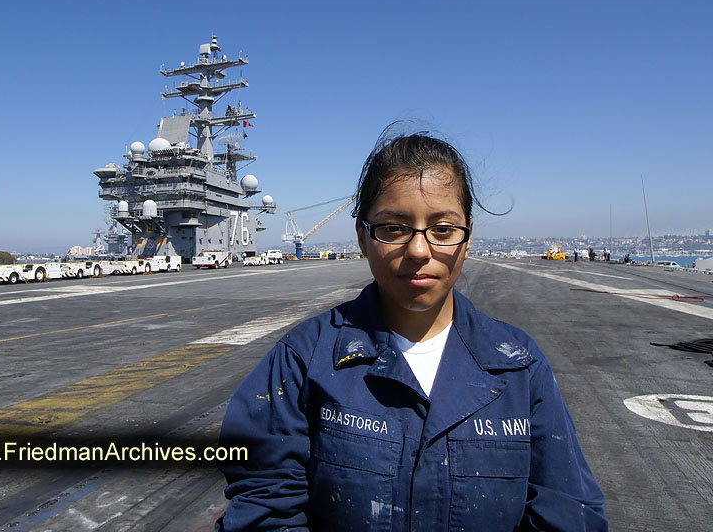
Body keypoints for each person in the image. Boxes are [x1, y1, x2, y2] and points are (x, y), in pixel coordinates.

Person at [216, 130, 607, 531]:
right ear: (362, 238)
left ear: (468, 238)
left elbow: (569, 514)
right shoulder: (302, 360)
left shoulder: (521, 368)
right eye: (393, 228)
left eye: (443, 229)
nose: (420, 251)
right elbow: (264, 508)